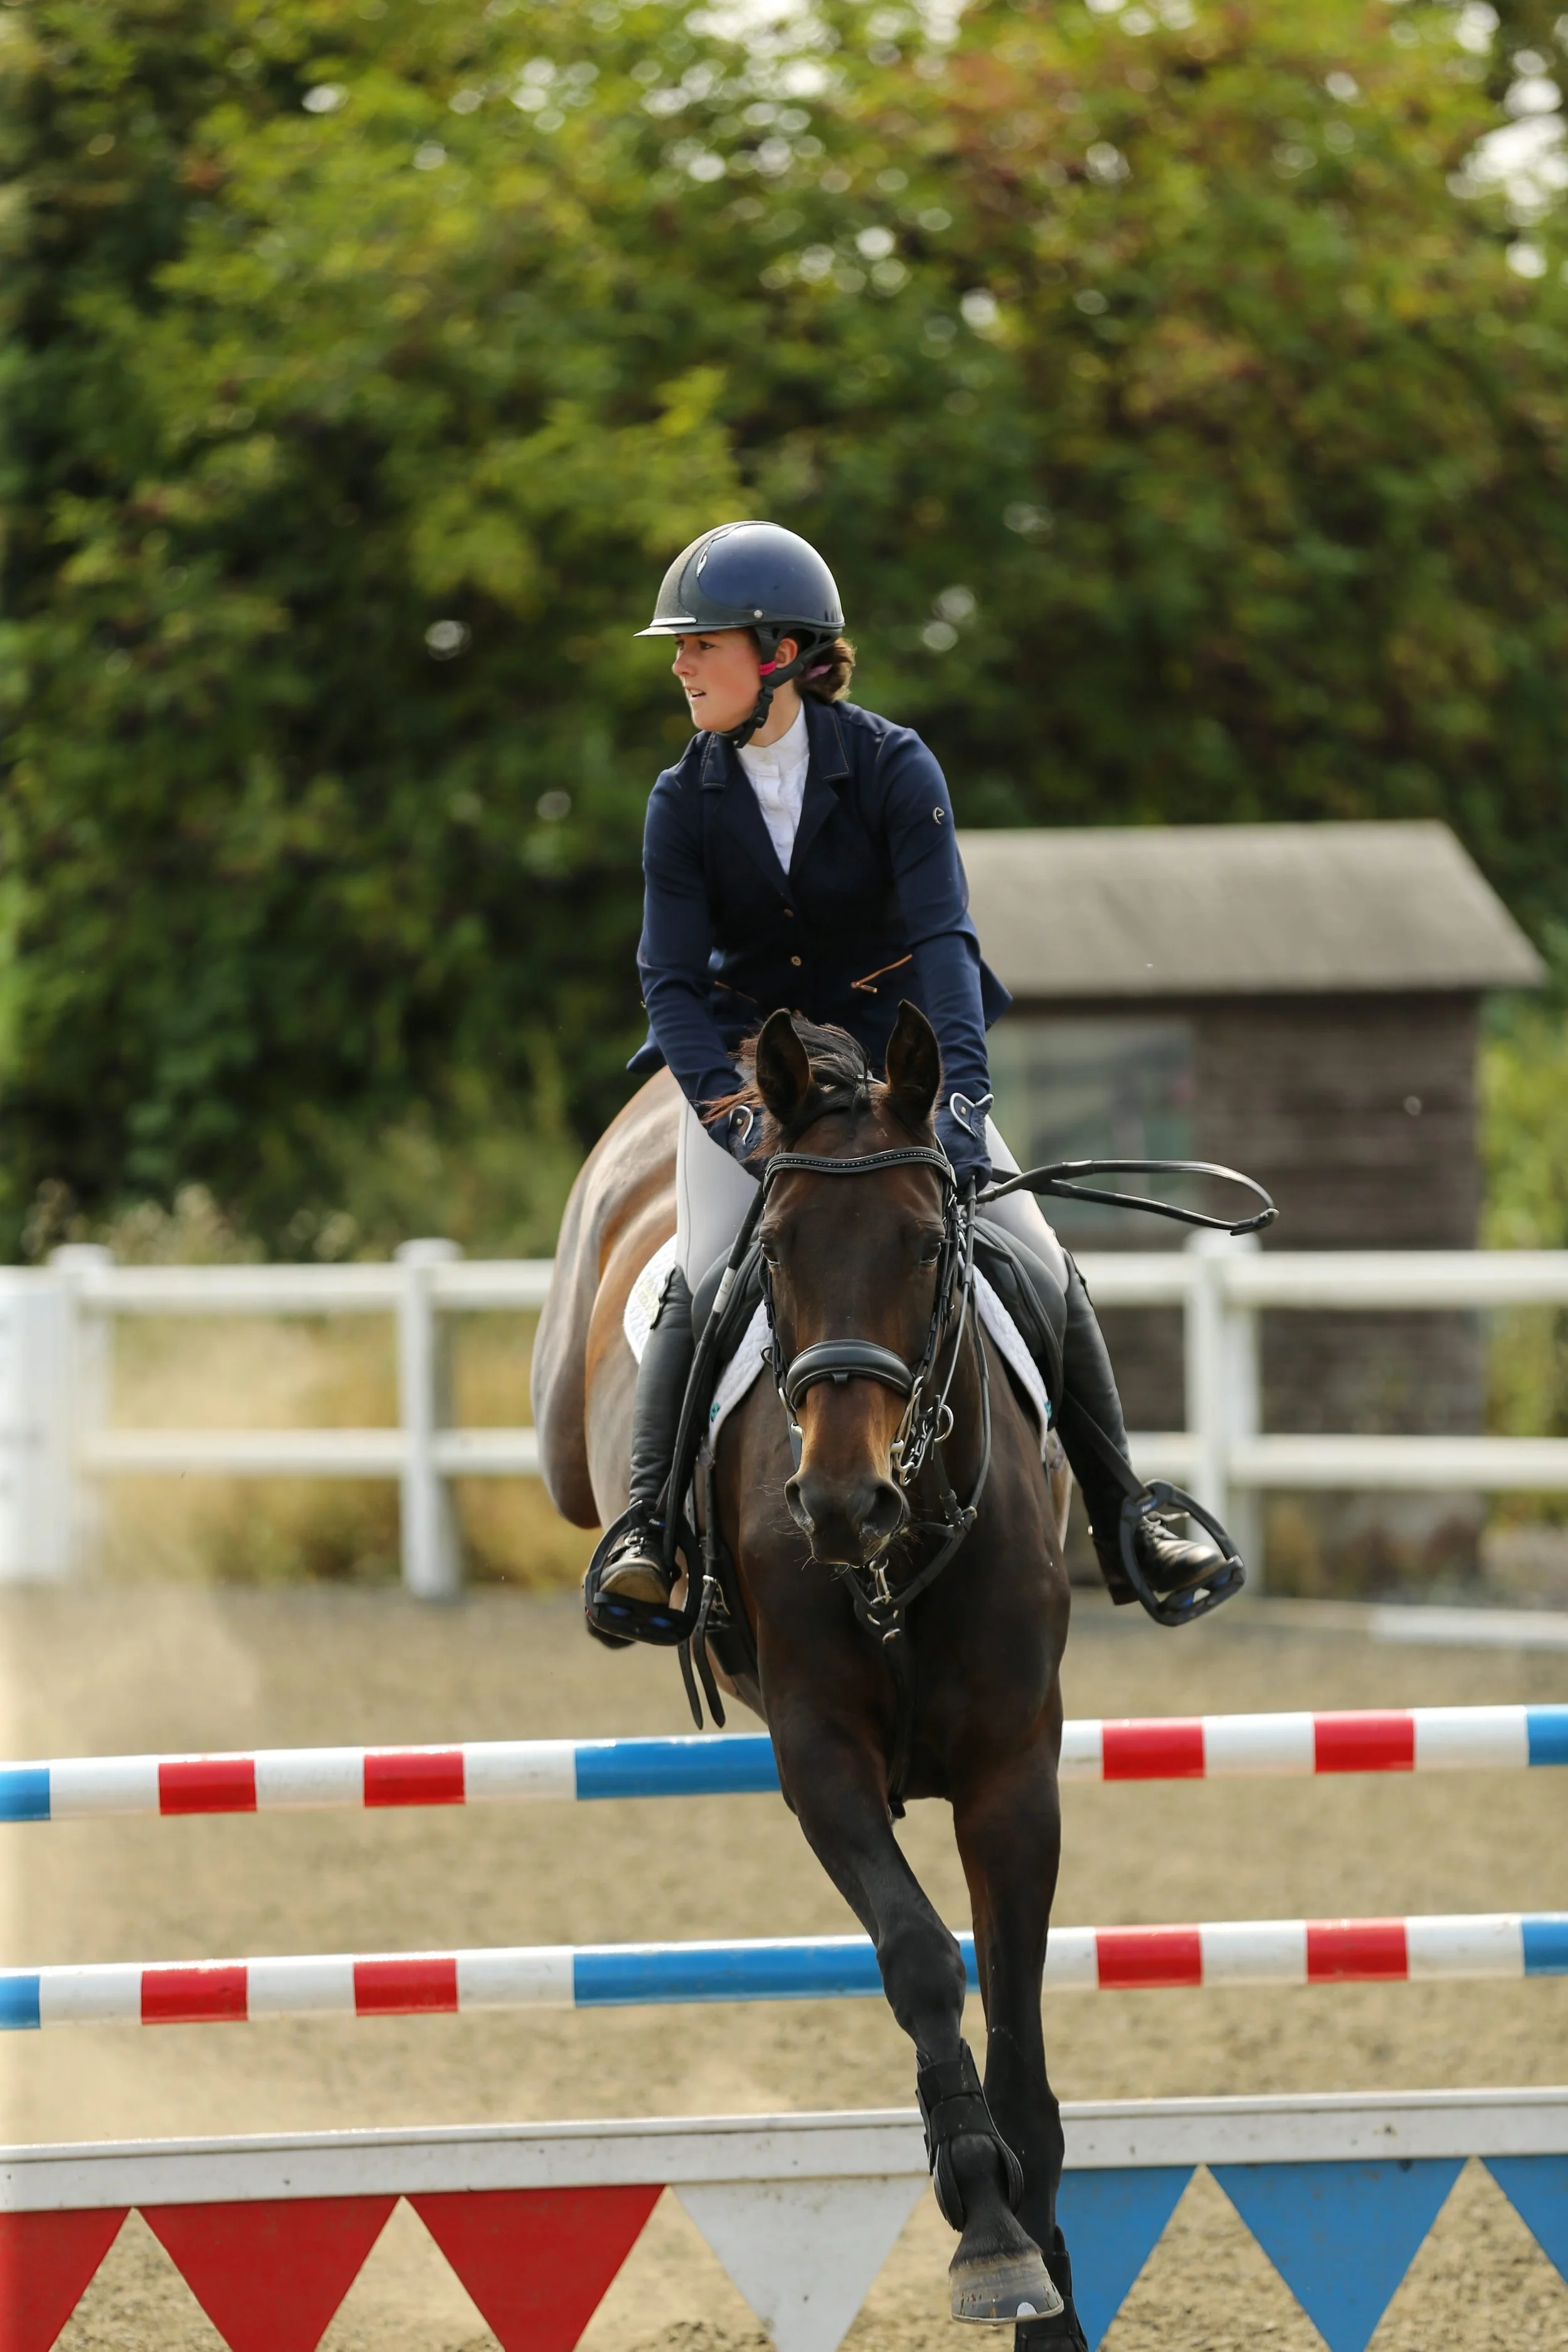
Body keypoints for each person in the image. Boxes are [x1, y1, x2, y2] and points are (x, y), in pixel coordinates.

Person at [598, 519, 1229, 1613]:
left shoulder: (894, 767)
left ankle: (1133, 1514)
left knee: (1039, 1263)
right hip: (769, 1077)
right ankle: (651, 1530)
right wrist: (737, 1119)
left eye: (702, 641)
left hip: (903, 1075)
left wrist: (964, 1102)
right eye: (682, 644)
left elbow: (947, 947)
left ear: (780, 653)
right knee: (698, 1281)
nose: (680, 661)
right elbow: (668, 986)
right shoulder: (679, 800)